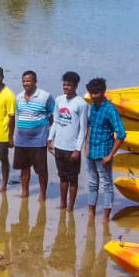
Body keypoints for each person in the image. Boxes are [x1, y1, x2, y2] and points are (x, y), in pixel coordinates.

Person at [83, 77, 127, 216]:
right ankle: (91, 213)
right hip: (91, 152)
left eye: (96, 93)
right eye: (91, 93)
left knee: (107, 185)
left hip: (104, 153)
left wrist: (110, 155)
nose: (93, 96)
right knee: (92, 183)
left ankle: (105, 217)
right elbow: (90, 126)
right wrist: (86, 145)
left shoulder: (110, 110)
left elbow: (121, 134)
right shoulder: (93, 108)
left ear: (103, 92)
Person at [48, 69, 89, 211]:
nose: (66, 87)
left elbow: (83, 128)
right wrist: (49, 138)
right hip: (59, 146)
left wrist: (78, 149)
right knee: (62, 177)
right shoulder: (59, 100)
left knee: (73, 179)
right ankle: (62, 203)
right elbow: (55, 121)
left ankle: (71, 206)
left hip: (72, 149)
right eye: (64, 85)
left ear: (76, 86)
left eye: (69, 85)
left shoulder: (81, 104)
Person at [11, 69, 55, 199]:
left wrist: (47, 131)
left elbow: (54, 115)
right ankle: (25, 192)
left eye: (28, 81)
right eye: (24, 81)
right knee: (24, 168)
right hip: (21, 140)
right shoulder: (18, 97)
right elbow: (20, 114)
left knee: (41, 170)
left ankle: (42, 195)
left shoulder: (45, 96)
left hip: (39, 140)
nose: (26, 83)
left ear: (35, 82)